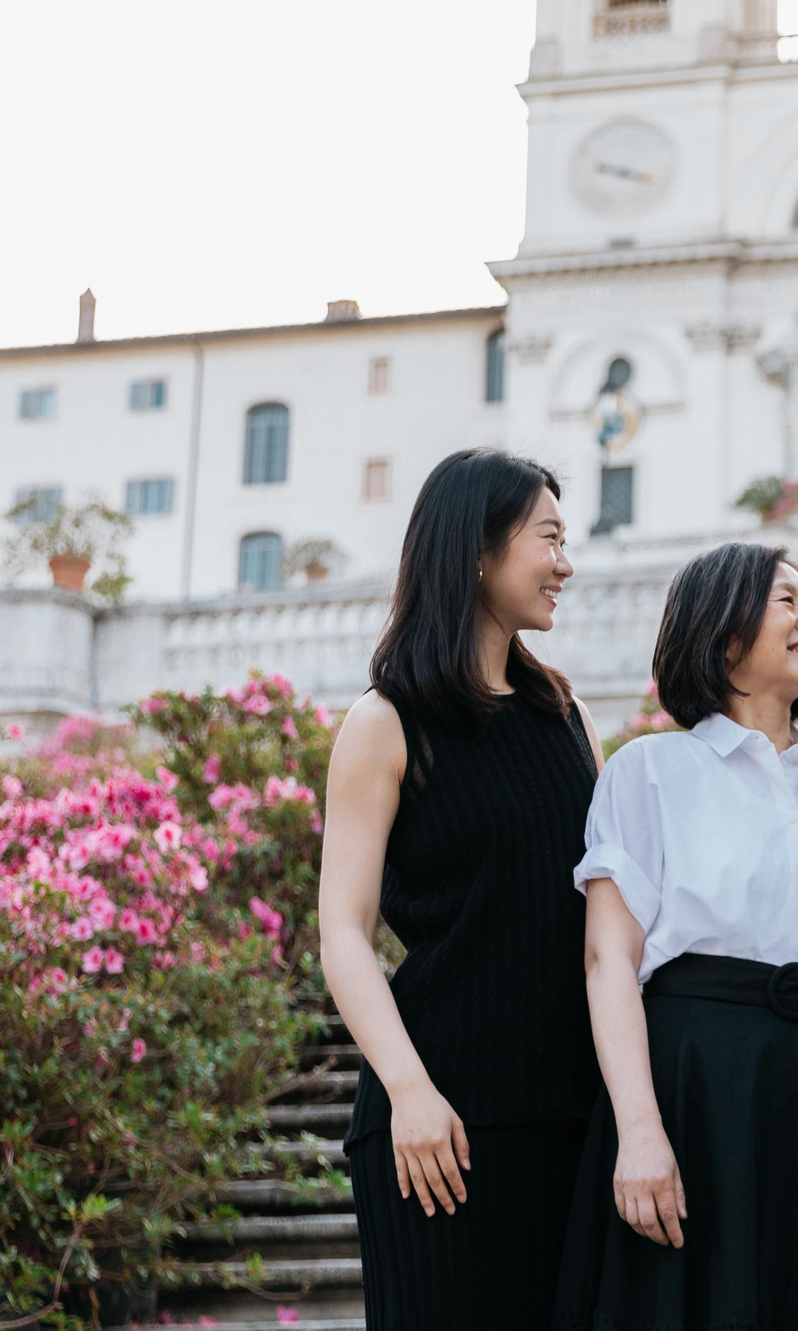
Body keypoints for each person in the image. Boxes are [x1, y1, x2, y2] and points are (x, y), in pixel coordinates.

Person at [556, 543, 798, 1331]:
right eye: (787, 600)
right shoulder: (649, 770)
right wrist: (639, 1128)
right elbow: (609, 959)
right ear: (722, 636)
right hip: (698, 1090)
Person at [317, 449, 602, 1329]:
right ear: (478, 550)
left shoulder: (563, 712)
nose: (565, 562)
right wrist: (408, 1090)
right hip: (438, 1125)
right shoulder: (384, 722)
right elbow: (343, 931)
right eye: (547, 537)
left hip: (574, 1115)